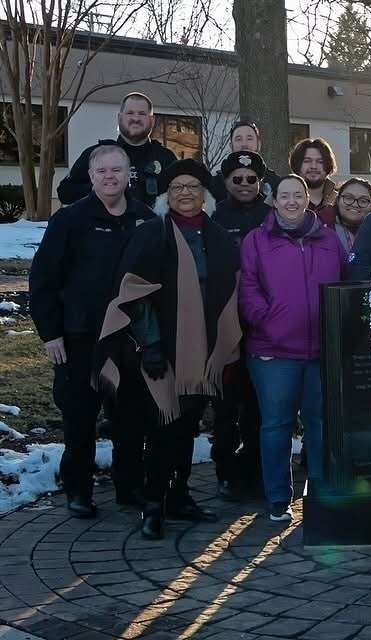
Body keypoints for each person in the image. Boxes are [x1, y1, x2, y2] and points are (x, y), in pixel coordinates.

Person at [95, 159, 242, 539]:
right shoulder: (153, 234)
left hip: (201, 350)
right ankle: (152, 504)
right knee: (164, 424)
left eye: (193, 187)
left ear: (206, 195)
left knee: (188, 425)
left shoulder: (217, 237)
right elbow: (134, 293)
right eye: (177, 188)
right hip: (160, 349)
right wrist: (152, 343)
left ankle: (179, 496)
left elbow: (228, 290)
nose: (186, 193)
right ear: (165, 195)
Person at [29, 146, 155, 518]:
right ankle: (78, 490)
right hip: (78, 337)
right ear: (91, 174)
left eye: (117, 170)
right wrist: (51, 333)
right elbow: (43, 280)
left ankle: (129, 486)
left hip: (129, 339)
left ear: (128, 174)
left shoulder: (145, 219)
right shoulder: (70, 220)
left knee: (130, 420)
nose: (109, 177)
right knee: (80, 419)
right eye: (102, 171)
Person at [239, 174, 346, 521]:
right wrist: (269, 321)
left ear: (307, 199)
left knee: (318, 425)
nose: (291, 201)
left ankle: (318, 496)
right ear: (274, 200)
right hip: (272, 353)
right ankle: (277, 498)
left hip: (319, 353)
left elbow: (343, 284)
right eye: (284, 195)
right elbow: (248, 288)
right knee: (276, 426)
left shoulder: (329, 240)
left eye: (297, 195)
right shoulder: (256, 240)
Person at [209, 151, 272, 500]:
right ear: (226, 181)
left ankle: (255, 469)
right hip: (226, 324)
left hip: (263, 326)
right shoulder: (214, 218)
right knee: (225, 406)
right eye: (237, 179)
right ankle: (225, 471)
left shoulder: (272, 217)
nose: (245, 184)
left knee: (258, 405)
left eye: (251, 178)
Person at [57, 92, 177, 208]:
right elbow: (65, 193)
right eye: (130, 113)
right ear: (120, 118)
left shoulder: (165, 158)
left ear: (152, 120)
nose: (135, 118)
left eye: (142, 114)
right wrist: (97, 188)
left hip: (153, 227)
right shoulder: (96, 155)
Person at [209, 121, 282, 203]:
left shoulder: (275, 182)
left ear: (259, 144)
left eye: (249, 138)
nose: (244, 144)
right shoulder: (216, 182)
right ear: (231, 145)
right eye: (238, 139)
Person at [289, 137, 339, 223]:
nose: (313, 166)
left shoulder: (340, 200)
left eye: (320, 162)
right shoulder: (281, 198)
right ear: (297, 164)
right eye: (307, 161)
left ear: (328, 165)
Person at [329, 177, 371, 252]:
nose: (355, 204)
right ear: (337, 200)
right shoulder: (321, 231)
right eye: (349, 198)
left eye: (363, 201)